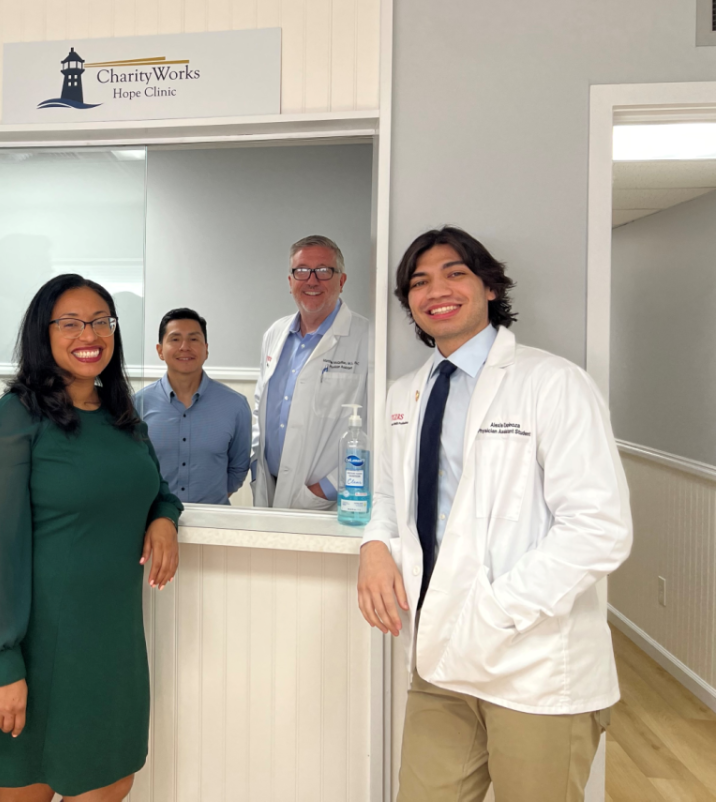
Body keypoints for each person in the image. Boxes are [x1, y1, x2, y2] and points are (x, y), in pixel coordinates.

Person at [356, 226, 632, 801]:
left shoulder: (552, 383)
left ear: (488, 287)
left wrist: (497, 612)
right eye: (419, 281)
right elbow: (388, 496)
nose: (437, 290)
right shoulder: (403, 393)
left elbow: (598, 529)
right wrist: (375, 546)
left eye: (455, 273)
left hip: (531, 665)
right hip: (440, 662)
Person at [0, 274, 183, 802]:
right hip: (34, 644)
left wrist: (164, 515)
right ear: (42, 335)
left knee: (112, 778)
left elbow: (150, 484)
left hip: (109, 645)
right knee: (31, 785)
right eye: (69, 323)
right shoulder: (16, 420)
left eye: (99, 321)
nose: (88, 333)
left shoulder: (121, 416)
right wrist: (2, 665)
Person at [252, 234, 370, 511]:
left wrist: (325, 490)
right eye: (302, 271)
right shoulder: (275, 334)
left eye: (324, 271)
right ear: (290, 281)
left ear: (341, 281)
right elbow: (260, 409)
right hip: (269, 485)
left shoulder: (368, 339)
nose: (312, 280)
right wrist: (256, 470)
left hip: (326, 499)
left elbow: (377, 434)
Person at [135, 308, 251, 505]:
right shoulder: (137, 404)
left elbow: (238, 468)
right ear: (160, 350)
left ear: (206, 349)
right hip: (153, 521)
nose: (184, 347)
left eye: (194, 339)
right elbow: (133, 467)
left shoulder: (235, 405)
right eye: (175, 339)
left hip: (214, 523)